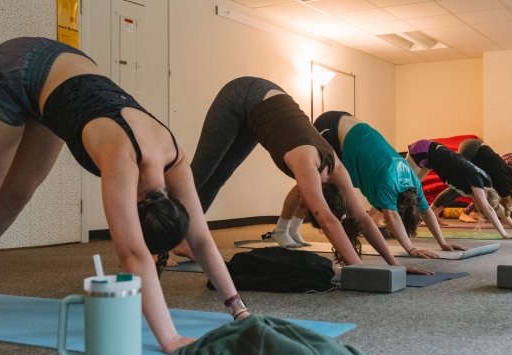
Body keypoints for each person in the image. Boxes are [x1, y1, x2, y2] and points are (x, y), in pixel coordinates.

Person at [0, 37, 248, 353]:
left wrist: (238, 309)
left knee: (15, 196)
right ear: (138, 206)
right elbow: (131, 254)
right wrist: (169, 338)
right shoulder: (121, 157)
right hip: (14, 71)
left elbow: (200, 238)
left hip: (60, 82)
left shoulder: (175, 155)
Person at [180, 77, 432, 274]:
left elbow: (362, 219)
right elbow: (329, 221)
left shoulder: (337, 169)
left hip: (264, 106)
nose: (302, 206)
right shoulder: (308, 166)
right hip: (243, 94)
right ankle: (155, 244)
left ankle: (182, 240)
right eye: (308, 207)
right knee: (196, 177)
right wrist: (358, 268)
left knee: (218, 177)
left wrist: (394, 264)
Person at [314, 112, 464, 259]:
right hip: (331, 127)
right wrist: (411, 249)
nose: (387, 222)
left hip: (351, 126)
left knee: (335, 183)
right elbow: (391, 215)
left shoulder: (413, 183)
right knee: (320, 179)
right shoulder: (387, 182)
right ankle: (292, 226)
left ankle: (292, 226)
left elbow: (427, 212)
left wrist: (442, 243)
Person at [406, 139, 512, 238]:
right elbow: (488, 208)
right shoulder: (476, 180)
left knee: (413, 189)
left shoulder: (487, 184)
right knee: (405, 188)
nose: (475, 203)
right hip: (423, 151)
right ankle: (391, 216)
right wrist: (504, 234)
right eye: (479, 202)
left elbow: (497, 207)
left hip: (430, 158)